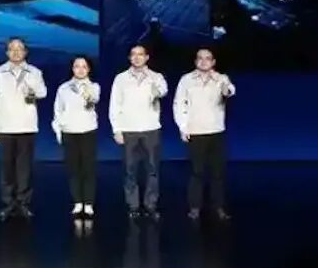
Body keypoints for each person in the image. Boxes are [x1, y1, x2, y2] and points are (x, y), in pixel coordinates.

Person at [0, 37, 48, 221]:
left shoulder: (34, 72)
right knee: (7, 169)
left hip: (26, 126)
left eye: (19, 48)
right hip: (5, 126)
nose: (15, 52)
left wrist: (32, 90)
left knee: (25, 169)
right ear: (7, 52)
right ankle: (8, 204)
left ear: (25, 52)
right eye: (12, 48)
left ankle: (23, 203)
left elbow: (43, 92)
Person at [173, 48, 236, 221]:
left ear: (213, 62)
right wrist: (183, 127)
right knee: (197, 172)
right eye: (200, 58)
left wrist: (225, 87)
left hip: (216, 131)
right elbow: (179, 104)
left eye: (208, 58)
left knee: (217, 173)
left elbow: (230, 91)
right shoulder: (186, 80)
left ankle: (219, 207)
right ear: (195, 61)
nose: (203, 61)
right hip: (195, 131)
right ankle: (194, 207)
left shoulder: (221, 78)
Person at [109, 45, 168, 221]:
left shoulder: (156, 77)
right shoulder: (121, 78)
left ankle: (151, 205)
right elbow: (115, 105)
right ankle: (133, 206)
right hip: (129, 130)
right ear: (129, 58)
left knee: (152, 170)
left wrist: (155, 87)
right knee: (130, 170)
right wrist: (116, 129)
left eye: (141, 54)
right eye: (133, 54)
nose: (137, 57)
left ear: (147, 57)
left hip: (151, 129)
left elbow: (163, 91)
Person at [53, 56, 100, 218]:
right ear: (72, 69)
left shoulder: (94, 87)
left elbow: (94, 99)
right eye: (77, 66)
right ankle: (78, 202)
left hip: (88, 130)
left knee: (88, 168)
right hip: (69, 131)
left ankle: (89, 203)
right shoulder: (63, 88)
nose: (80, 69)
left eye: (84, 66)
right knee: (73, 169)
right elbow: (58, 110)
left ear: (89, 69)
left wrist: (86, 92)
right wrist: (59, 130)